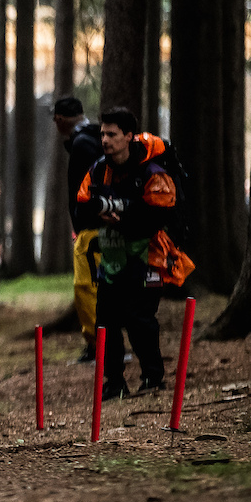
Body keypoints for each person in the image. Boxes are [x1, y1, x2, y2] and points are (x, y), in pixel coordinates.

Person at [75, 107, 194, 399]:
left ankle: (153, 377)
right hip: (112, 260)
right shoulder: (99, 169)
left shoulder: (153, 172)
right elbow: (82, 204)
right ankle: (113, 381)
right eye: (103, 133)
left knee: (140, 319)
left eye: (112, 134)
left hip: (149, 257)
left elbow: (159, 214)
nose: (105, 139)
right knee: (106, 320)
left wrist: (124, 215)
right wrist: (101, 213)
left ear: (128, 136)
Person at [53, 96, 104, 363]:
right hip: (101, 225)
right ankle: (101, 343)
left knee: (86, 287)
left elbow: (82, 190)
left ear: (60, 120)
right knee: (97, 288)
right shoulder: (95, 138)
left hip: (90, 229)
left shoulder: (83, 145)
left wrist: (80, 219)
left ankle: (98, 345)